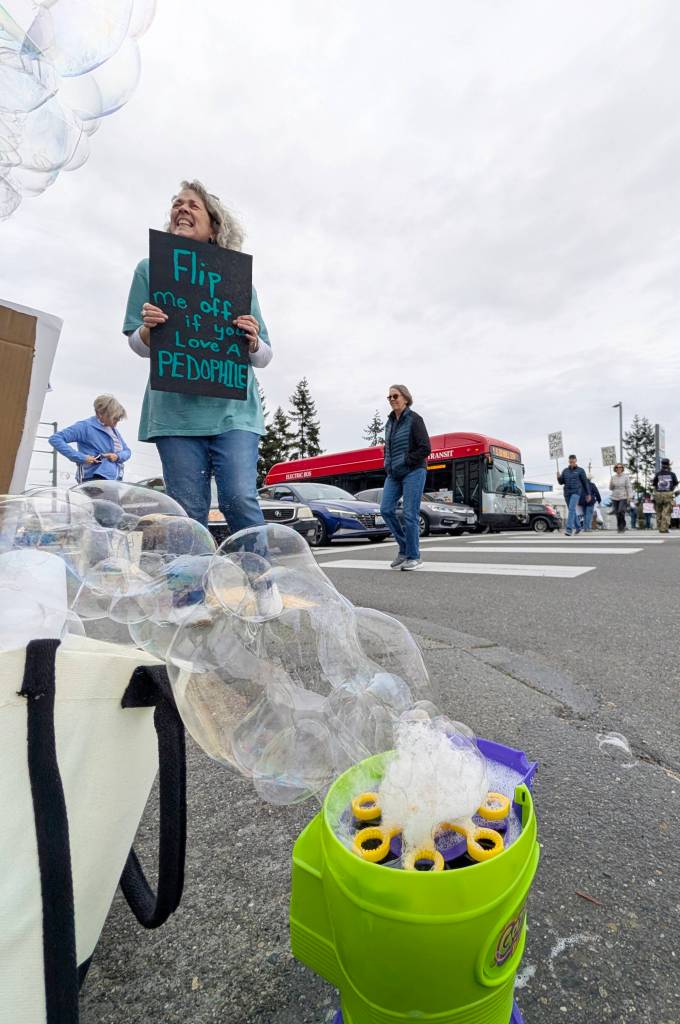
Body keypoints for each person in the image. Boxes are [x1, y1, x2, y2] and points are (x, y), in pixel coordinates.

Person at [122, 180, 272, 532]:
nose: (182, 209)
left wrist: (253, 341)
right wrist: (147, 330)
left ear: (213, 227)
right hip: (175, 413)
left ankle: (260, 584)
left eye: (193, 205)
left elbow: (264, 356)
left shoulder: (237, 281)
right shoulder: (150, 269)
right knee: (188, 511)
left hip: (234, 412)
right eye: (177, 203)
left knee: (239, 497)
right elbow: (138, 345)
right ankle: (192, 587)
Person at [380, 385, 431, 571]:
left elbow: (426, 448)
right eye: (389, 397)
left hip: (414, 471)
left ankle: (413, 556)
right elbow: (387, 447)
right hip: (394, 473)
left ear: (406, 398)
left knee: (410, 514)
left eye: (395, 396)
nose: (392, 399)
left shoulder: (415, 419)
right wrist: (387, 463)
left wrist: (407, 460)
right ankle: (404, 549)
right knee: (385, 509)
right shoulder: (390, 422)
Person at [48, 395, 131, 482]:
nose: (117, 421)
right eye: (114, 418)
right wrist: (81, 457)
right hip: (92, 479)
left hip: (114, 479)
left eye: (118, 418)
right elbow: (55, 439)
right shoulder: (85, 427)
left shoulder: (114, 431)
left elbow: (127, 451)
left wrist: (117, 456)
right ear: (100, 413)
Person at [556, 455, 591, 536]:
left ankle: (569, 529)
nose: (572, 463)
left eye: (573, 461)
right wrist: (558, 477)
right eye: (570, 461)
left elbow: (585, 482)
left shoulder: (580, 470)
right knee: (572, 510)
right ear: (569, 461)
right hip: (567, 493)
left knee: (571, 508)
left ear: (576, 461)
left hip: (576, 492)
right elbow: (561, 482)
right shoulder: (565, 471)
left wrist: (588, 494)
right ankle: (578, 527)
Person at [652, 458, 679, 534]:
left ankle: (660, 526)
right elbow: (675, 483)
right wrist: (671, 489)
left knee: (659, 511)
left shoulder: (658, 474)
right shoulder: (672, 474)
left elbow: (654, 484)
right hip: (668, 494)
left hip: (658, 494)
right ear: (668, 464)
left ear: (661, 464)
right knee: (666, 512)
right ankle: (664, 528)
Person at [609, 463, 633, 533]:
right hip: (615, 497)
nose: (619, 469)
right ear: (615, 469)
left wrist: (630, 496)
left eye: (620, 467)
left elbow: (629, 487)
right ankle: (619, 526)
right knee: (617, 513)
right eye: (617, 467)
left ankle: (622, 526)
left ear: (622, 469)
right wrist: (611, 484)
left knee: (621, 511)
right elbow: (611, 488)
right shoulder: (613, 477)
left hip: (623, 496)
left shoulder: (626, 477)